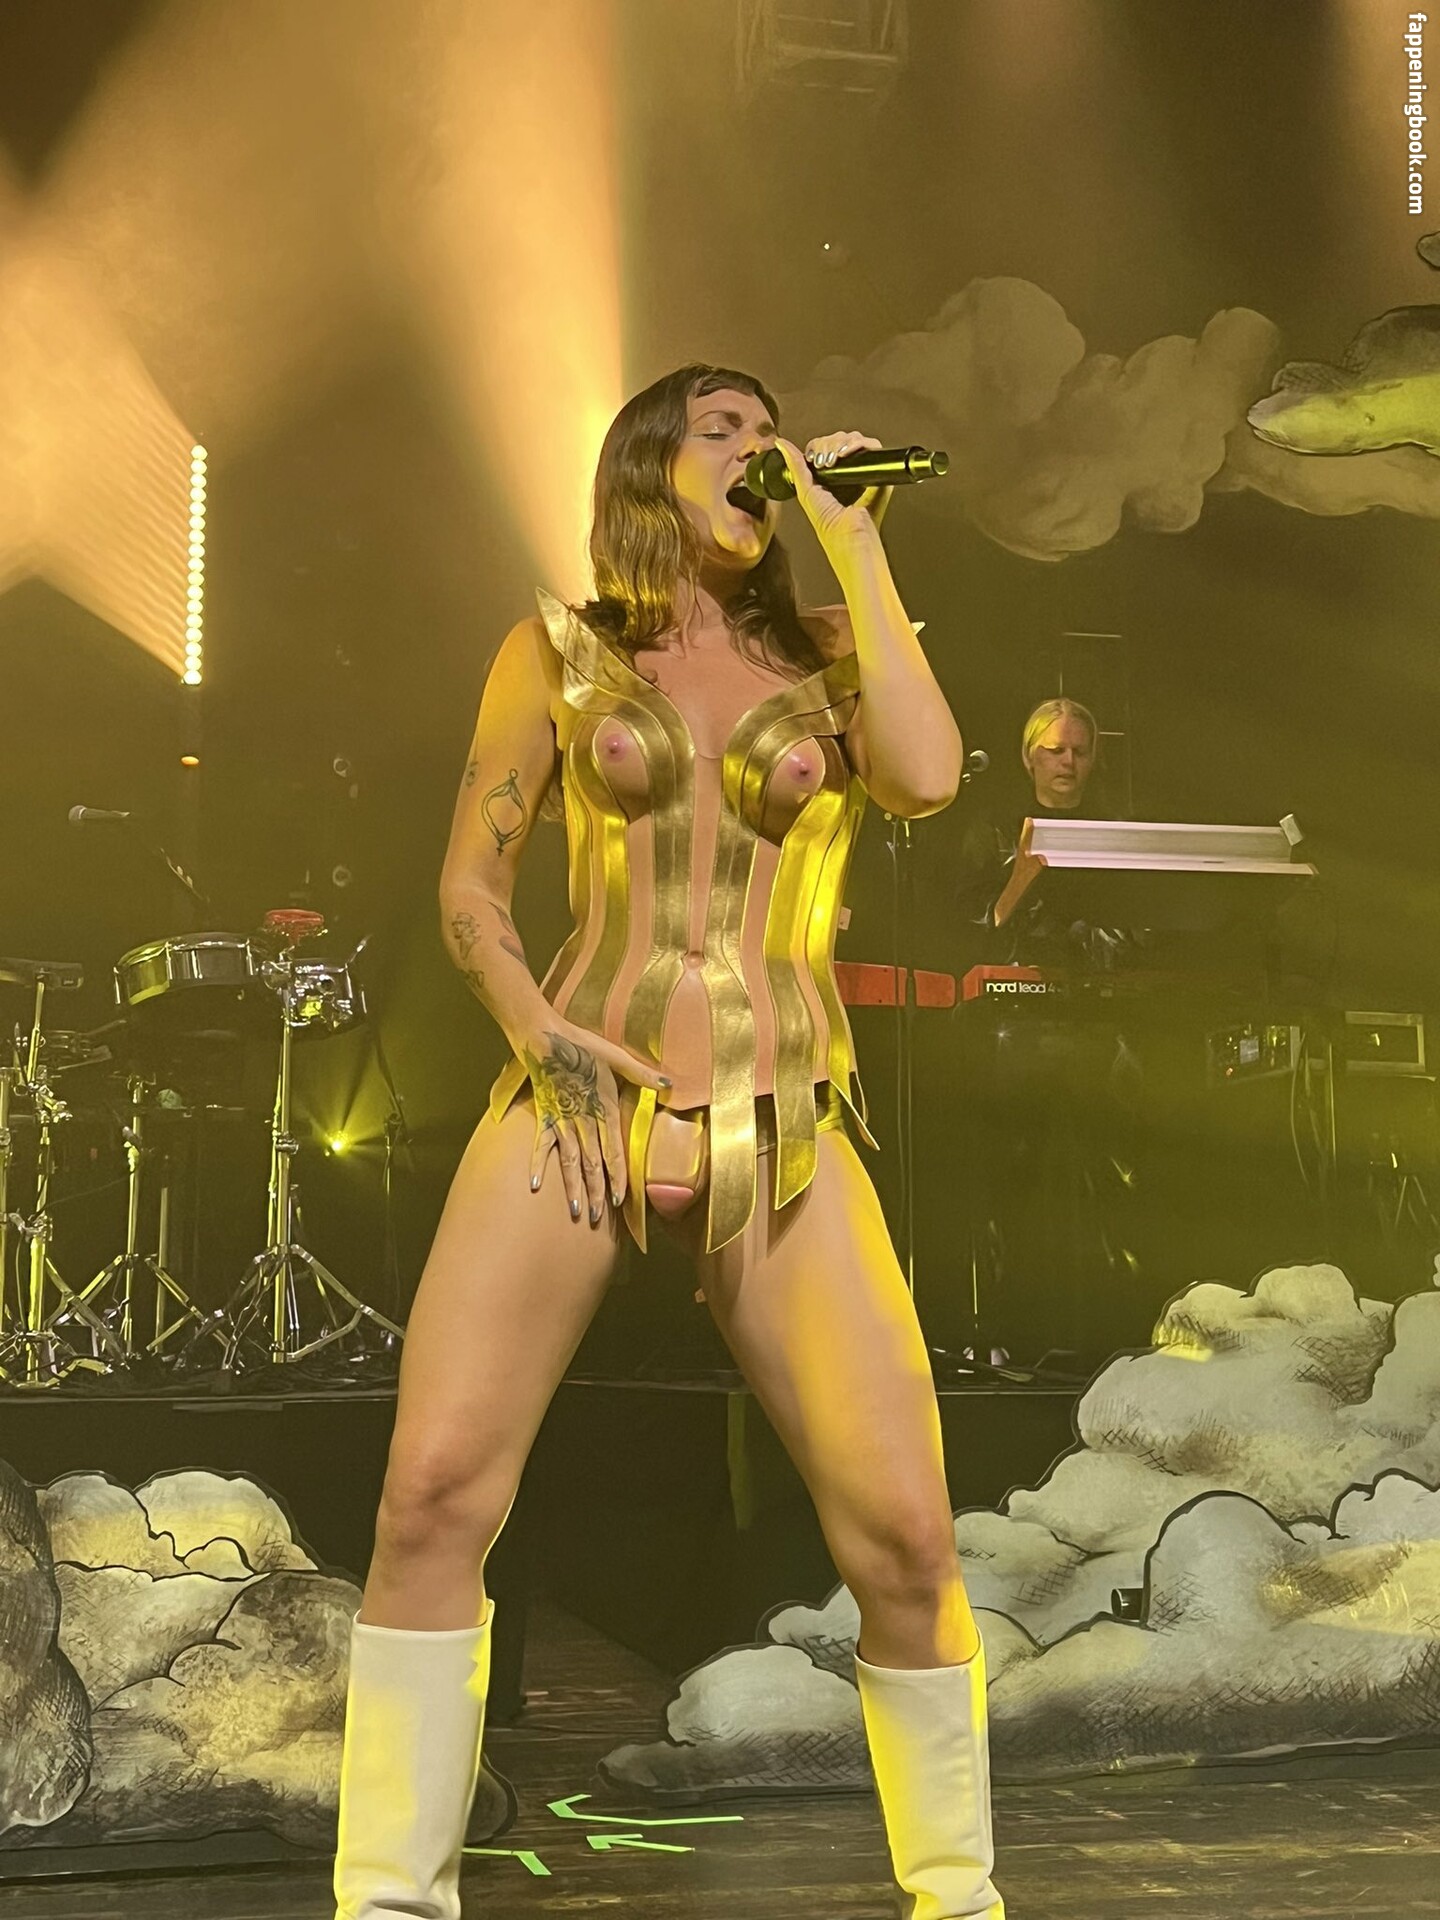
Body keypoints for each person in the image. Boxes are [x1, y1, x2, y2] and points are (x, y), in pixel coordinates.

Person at [331, 364, 1003, 1920]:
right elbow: (470, 888)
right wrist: (538, 1032)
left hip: (785, 1113)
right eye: (724, 430)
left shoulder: (836, 650)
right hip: (581, 1095)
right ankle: (387, 1902)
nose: (760, 449)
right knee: (432, 1493)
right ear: (650, 466)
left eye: (770, 431)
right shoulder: (555, 653)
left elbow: (924, 777)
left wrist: (859, 545)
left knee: (909, 1540)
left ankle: (962, 1901)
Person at [955, 695, 1103, 959]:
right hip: (1013, 971)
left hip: (1101, 975)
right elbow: (969, 927)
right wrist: (1021, 877)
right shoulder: (994, 828)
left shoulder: (1109, 827)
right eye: (1056, 750)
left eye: (1079, 752)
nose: (1068, 762)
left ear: (1092, 759)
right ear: (1029, 756)